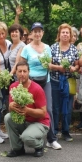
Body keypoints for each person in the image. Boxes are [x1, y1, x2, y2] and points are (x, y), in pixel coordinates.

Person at [20, 22, 62, 150]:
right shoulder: (26, 48)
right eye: (35, 31)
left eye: (40, 31)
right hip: (31, 82)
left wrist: (49, 65)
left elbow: (49, 64)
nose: (37, 33)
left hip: (45, 81)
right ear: (32, 33)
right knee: (26, 109)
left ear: (42, 33)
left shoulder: (47, 48)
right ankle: (24, 137)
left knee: (48, 109)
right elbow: (22, 66)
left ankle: (51, 139)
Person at [5, 61, 50, 158]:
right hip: (25, 120)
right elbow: (10, 109)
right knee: (8, 117)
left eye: (24, 71)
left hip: (40, 122)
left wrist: (27, 110)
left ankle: (39, 145)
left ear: (29, 72)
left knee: (26, 137)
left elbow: (43, 113)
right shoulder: (13, 87)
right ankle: (18, 149)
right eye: (19, 71)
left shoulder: (37, 89)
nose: (22, 74)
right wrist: (11, 106)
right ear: (15, 73)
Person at [49, 24, 79, 141]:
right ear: (59, 34)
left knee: (67, 108)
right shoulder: (53, 47)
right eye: (63, 32)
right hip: (55, 81)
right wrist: (58, 68)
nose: (65, 34)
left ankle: (66, 131)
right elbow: (49, 65)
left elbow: (77, 64)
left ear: (70, 35)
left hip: (68, 82)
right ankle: (55, 131)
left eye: (67, 32)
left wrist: (74, 68)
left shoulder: (74, 48)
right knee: (55, 108)